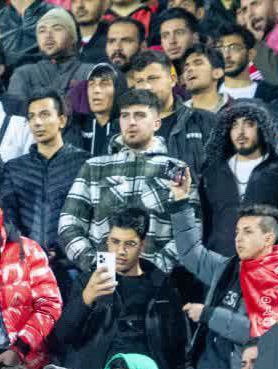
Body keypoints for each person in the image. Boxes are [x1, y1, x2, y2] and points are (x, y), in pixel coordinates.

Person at [54, 208, 193, 369]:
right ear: (107, 241)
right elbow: (62, 337)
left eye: (129, 244)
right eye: (115, 242)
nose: (120, 251)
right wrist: (86, 299)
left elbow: (181, 357)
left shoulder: (162, 287)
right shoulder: (87, 282)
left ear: (142, 245)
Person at [59, 88, 190, 275]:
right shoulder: (94, 167)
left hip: (159, 281)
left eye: (140, 115)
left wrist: (155, 269)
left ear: (157, 123)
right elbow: (69, 223)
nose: (131, 122)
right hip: (102, 279)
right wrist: (96, 264)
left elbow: (189, 229)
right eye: (125, 115)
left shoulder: (176, 169)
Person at [0, 89, 87, 268]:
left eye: (45, 114)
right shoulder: (14, 169)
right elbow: (8, 218)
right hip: (27, 264)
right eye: (31, 117)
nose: (37, 122)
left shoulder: (84, 164)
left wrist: (63, 249)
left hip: (74, 264)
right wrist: (27, 249)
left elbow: (89, 215)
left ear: (62, 120)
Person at [200, 100, 278, 259]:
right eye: (234, 125)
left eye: (249, 124)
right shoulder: (212, 172)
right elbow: (204, 220)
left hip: (267, 262)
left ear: (262, 128)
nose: (240, 132)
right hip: (220, 261)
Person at [125, 49, 217, 176]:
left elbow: (219, 174)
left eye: (152, 78)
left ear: (173, 79)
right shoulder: (123, 127)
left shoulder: (204, 120)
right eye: (140, 81)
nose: (146, 87)